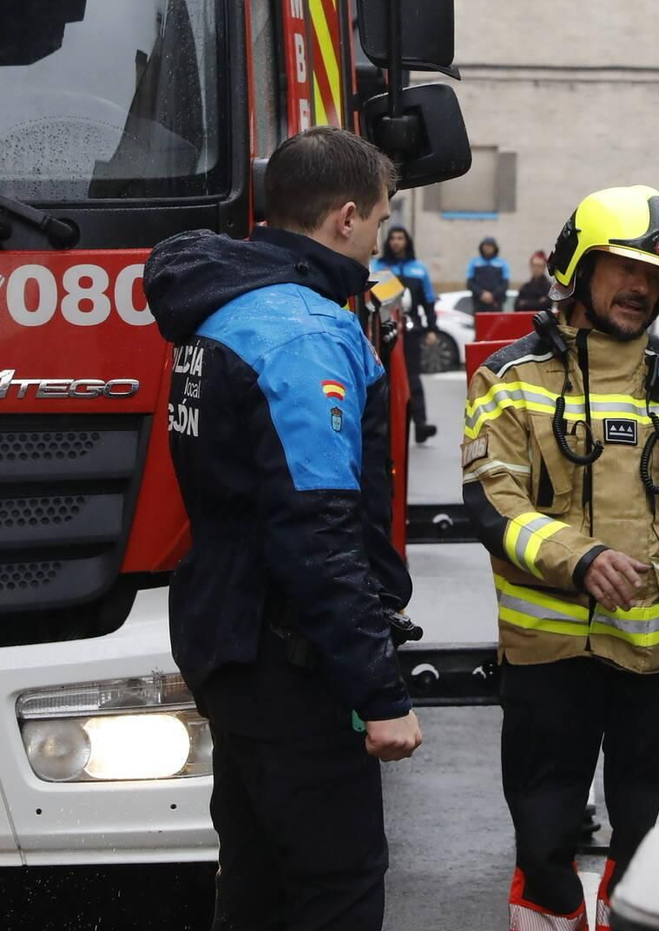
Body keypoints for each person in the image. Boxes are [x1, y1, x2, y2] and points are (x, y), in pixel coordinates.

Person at [460, 185, 659, 931]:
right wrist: (580, 556)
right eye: (625, 269)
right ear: (577, 266)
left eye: (656, 277)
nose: (641, 288)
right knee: (544, 838)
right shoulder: (509, 380)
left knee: (648, 832)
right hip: (550, 656)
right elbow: (492, 500)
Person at [145, 128, 422, 931]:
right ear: (343, 217)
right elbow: (319, 531)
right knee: (336, 882)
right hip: (289, 660)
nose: (378, 238)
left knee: (258, 881)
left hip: (228, 640)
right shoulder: (306, 332)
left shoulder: (224, 307)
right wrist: (378, 693)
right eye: (378, 219)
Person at [376, 225, 441, 444]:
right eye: (392, 238)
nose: (396, 241)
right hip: (383, 331)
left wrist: (432, 328)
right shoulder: (379, 267)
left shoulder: (418, 269)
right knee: (384, 378)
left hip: (411, 332)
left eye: (400, 238)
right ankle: (385, 425)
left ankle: (420, 425)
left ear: (407, 241)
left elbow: (429, 301)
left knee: (413, 378)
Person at [467, 236, 511, 311]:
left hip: (496, 302)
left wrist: (492, 295)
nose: (487, 248)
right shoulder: (474, 262)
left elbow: (505, 284)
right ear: (481, 247)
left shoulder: (502, 263)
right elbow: (470, 283)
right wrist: (481, 294)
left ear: (495, 248)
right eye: (486, 246)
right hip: (479, 302)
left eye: (490, 246)